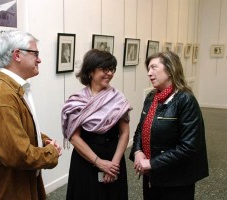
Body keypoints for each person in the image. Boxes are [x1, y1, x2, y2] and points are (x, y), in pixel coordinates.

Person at [0, 30, 62, 200]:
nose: (39, 59)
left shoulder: (13, 90)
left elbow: (19, 129)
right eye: (35, 53)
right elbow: (18, 156)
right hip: (6, 190)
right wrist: (51, 153)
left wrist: (42, 140)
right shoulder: (1, 98)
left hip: (20, 184)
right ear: (17, 55)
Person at [129, 51, 209, 200]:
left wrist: (152, 163)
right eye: (148, 69)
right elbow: (141, 128)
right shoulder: (152, 96)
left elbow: (189, 146)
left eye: (154, 68)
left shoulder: (185, 99)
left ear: (170, 70)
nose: (149, 73)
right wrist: (138, 151)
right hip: (152, 176)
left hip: (176, 180)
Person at [61, 49, 132, 200]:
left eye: (112, 69)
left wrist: (114, 164)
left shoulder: (118, 99)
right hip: (85, 161)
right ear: (90, 71)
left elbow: (125, 133)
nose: (110, 73)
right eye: (104, 69)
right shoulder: (77, 101)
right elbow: (74, 138)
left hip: (114, 158)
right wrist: (99, 163)